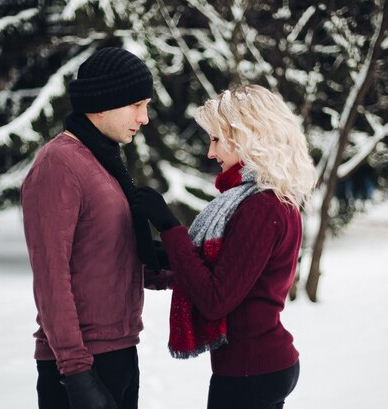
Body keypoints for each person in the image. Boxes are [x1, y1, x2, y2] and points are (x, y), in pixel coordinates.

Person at [132, 84, 316, 409]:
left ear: (248, 137)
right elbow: (221, 271)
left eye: (216, 139)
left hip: (249, 372)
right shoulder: (264, 199)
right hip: (258, 367)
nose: (210, 152)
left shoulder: (262, 206)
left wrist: (169, 225)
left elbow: (215, 298)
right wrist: (159, 255)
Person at [21, 46, 168, 409]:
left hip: (118, 352)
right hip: (79, 363)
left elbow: (116, 259)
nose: (145, 118)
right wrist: (76, 373)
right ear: (103, 104)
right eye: (137, 105)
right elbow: (51, 278)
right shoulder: (59, 165)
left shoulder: (103, 162)